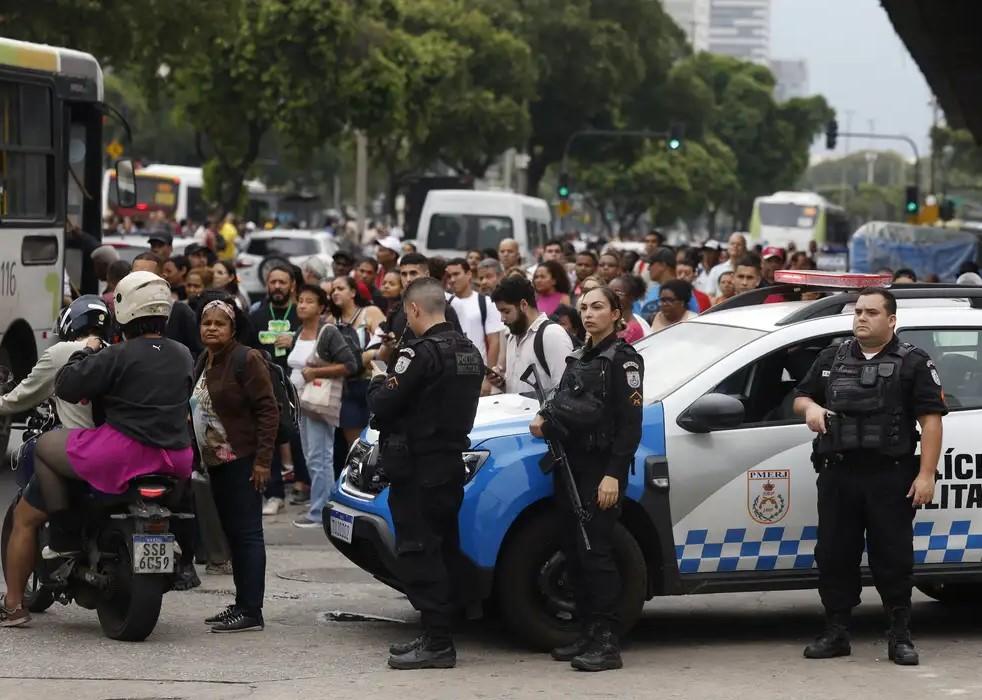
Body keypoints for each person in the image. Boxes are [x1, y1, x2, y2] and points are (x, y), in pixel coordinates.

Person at [2, 272, 196, 628]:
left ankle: (62, 535)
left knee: (44, 446)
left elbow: (68, 385)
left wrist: (86, 351)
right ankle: (184, 560)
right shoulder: (183, 353)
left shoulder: (116, 354)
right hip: (176, 456)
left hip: (123, 452)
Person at [792, 288, 946, 666]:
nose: (861, 317)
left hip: (889, 476)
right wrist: (810, 408)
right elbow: (800, 396)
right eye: (859, 311)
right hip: (838, 473)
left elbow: (931, 421)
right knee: (834, 555)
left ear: (891, 320)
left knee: (892, 557)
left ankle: (899, 636)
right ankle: (836, 632)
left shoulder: (913, 362)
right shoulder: (832, 357)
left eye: (871, 312)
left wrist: (926, 475)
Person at [367, 278, 484, 670]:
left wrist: (378, 379)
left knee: (420, 551)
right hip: (449, 463)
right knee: (443, 548)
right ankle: (439, 631)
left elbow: (384, 403)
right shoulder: (469, 350)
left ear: (414, 309)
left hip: (418, 466)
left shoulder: (418, 353)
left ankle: (438, 642)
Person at [529, 286, 643, 671]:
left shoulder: (623, 361)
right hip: (570, 465)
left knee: (596, 553)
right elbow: (561, 396)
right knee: (574, 551)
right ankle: (588, 632)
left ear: (616, 313)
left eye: (597, 307)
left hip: (599, 468)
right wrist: (545, 416)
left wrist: (613, 475)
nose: (589, 314)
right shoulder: (580, 355)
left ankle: (607, 642)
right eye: (584, 308)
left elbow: (630, 427)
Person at [192, 299, 279, 632]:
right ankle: (241, 604)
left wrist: (262, 462)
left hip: (242, 461)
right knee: (233, 535)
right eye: (207, 323)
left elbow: (268, 411)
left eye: (220, 324)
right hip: (216, 463)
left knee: (247, 535)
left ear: (233, 329)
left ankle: (251, 610)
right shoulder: (205, 358)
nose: (212, 328)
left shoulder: (247, 358)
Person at [286, 285, 358, 528]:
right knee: (311, 456)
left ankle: (321, 511)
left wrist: (316, 372)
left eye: (309, 301)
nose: (302, 305)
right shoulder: (299, 332)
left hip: (318, 402)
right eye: (300, 300)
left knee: (320, 457)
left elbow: (350, 364)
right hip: (300, 402)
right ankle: (320, 504)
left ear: (321, 307)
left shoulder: (328, 332)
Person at [249, 264, 302, 515]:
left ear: (292, 285)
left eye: (282, 282)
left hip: (297, 385)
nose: (277, 287)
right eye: (273, 282)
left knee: (300, 438)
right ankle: (274, 493)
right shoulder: (257, 316)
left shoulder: (301, 313)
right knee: (268, 438)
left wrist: (294, 340)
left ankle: (304, 485)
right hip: (266, 386)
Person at [489, 274, 574, 395]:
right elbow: (518, 390)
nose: (502, 319)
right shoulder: (512, 337)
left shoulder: (552, 335)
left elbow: (566, 391)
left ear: (524, 305)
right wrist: (502, 384)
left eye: (506, 311)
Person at [329, 276, 385, 454]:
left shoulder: (370, 312)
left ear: (353, 292)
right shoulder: (331, 321)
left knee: (378, 442)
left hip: (372, 383)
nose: (335, 293)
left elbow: (386, 342)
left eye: (340, 288)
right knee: (355, 447)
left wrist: (369, 355)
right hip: (346, 387)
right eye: (332, 290)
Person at [131, 252, 203, 356]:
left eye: (146, 277)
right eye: (134, 276)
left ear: (162, 278)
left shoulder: (180, 312)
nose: (139, 282)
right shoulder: (124, 310)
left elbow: (197, 352)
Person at [445, 258, 505, 367]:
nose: (452, 279)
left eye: (456, 274)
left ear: (468, 274)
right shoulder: (445, 303)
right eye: (449, 276)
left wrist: (489, 373)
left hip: (479, 369)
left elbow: (494, 342)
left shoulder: (485, 302)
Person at [609, 275, 650, 343]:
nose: (611, 297)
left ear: (631, 297)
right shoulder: (610, 323)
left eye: (617, 293)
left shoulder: (634, 329)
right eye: (608, 293)